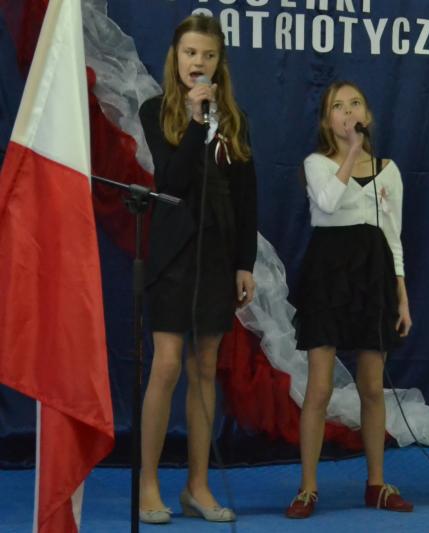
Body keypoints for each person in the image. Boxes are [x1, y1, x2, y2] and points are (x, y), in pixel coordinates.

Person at [137, 14, 257, 524]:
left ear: (219, 62)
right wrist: (192, 119)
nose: (198, 62)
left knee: (205, 368)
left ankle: (197, 485)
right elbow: (172, 178)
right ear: (176, 58)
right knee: (166, 365)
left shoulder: (233, 119)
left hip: (217, 256)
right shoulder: (155, 110)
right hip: (173, 255)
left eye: (208, 55)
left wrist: (244, 263)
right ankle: (147, 483)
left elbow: (246, 196)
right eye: (190, 53)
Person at [285, 81, 413, 519]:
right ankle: (307, 487)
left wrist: (401, 296)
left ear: (367, 115)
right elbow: (327, 201)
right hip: (328, 275)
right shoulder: (316, 164)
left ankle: (376, 484)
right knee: (319, 387)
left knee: (372, 386)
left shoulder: (389, 171)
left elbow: (394, 237)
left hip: (373, 277)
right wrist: (352, 154)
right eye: (337, 107)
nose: (347, 112)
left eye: (355, 103)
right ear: (327, 122)